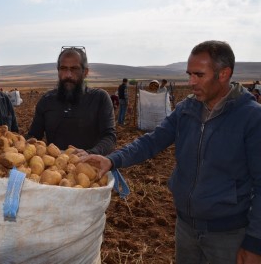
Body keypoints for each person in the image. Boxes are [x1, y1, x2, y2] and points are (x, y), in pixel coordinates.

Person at [81, 40, 261, 264]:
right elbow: (152, 141)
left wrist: (255, 242)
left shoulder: (251, 117)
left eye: (199, 74)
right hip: (185, 228)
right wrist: (112, 160)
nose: (191, 81)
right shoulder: (187, 109)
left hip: (228, 235)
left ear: (224, 74)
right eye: (189, 74)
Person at [26, 46, 116, 156]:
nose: (68, 75)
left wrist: (90, 154)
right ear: (58, 71)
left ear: (85, 72)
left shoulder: (99, 98)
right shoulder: (46, 100)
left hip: (90, 167)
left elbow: (109, 138)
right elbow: (34, 136)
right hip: (56, 169)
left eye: (74, 69)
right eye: (63, 68)